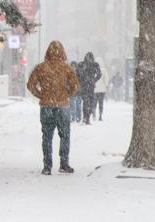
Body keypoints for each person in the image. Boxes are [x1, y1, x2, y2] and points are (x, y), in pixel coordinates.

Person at [27, 41, 79, 175]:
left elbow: (31, 85)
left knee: (47, 136)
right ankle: (64, 163)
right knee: (65, 136)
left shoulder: (41, 68)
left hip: (46, 106)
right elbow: (75, 86)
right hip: (63, 106)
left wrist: (41, 95)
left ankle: (47, 166)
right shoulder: (67, 68)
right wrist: (66, 94)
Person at [77, 52, 101, 125]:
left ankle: (87, 117)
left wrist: (94, 80)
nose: (89, 59)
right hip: (86, 86)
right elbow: (77, 73)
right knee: (87, 102)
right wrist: (92, 80)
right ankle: (85, 118)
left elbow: (99, 74)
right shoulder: (83, 64)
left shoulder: (94, 65)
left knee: (89, 102)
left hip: (88, 86)